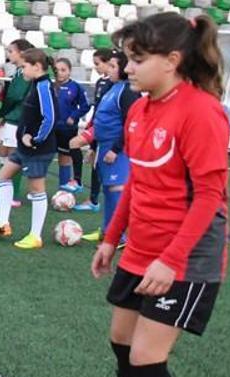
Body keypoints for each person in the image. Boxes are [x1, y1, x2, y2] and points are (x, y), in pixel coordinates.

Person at [86, 13, 230, 377]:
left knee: (148, 355)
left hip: (186, 255)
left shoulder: (202, 112)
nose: (126, 68)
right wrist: (111, 239)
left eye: (136, 59)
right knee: (121, 342)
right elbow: (135, 184)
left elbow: (209, 196)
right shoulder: (140, 108)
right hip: (141, 247)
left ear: (172, 61)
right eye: (127, 59)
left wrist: (173, 260)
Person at [0, 49, 58, 249]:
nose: (21, 70)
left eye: (24, 67)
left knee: (37, 189)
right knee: (4, 175)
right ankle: (3, 223)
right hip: (24, 147)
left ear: (37, 66)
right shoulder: (35, 85)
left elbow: (50, 117)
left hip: (38, 148)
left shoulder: (44, 87)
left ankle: (35, 236)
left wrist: (36, 138)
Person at [79, 49, 138, 243]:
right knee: (108, 190)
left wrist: (116, 148)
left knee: (116, 191)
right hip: (104, 147)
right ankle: (107, 231)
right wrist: (94, 147)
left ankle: (118, 237)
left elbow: (131, 123)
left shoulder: (128, 90)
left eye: (113, 66)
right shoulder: (112, 88)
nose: (109, 70)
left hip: (116, 149)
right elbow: (100, 120)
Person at [74, 49, 118, 213]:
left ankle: (94, 199)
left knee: (101, 166)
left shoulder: (116, 85)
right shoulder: (100, 82)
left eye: (98, 64)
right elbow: (98, 108)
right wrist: (90, 124)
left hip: (108, 131)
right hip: (97, 126)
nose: (96, 67)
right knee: (95, 163)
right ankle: (93, 199)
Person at [0, 39, 34, 208]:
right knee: (3, 150)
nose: (9, 54)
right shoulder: (19, 72)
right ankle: (4, 187)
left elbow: (16, 96)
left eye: (11, 51)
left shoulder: (26, 73)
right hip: (12, 117)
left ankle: (12, 194)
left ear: (22, 53)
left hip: (19, 119)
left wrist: (5, 110)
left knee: (13, 155)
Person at [54, 58, 91, 195]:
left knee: (64, 157)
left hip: (67, 129)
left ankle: (63, 191)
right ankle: (37, 190)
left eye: (63, 70)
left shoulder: (76, 87)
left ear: (69, 71)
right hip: (51, 129)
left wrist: (73, 116)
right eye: (57, 70)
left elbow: (85, 106)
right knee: (44, 156)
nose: (60, 73)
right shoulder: (50, 86)